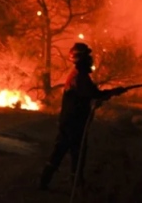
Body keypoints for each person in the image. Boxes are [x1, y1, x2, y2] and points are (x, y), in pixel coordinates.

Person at [38, 42, 126, 190]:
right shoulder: (79, 77)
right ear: (80, 59)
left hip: (71, 121)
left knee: (69, 152)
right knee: (74, 153)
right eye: (87, 56)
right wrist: (113, 92)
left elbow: (91, 95)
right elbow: (94, 94)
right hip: (73, 123)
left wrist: (111, 93)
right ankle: (66, 183)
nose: (90, 59)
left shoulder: (79, 75)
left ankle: (60, 182)